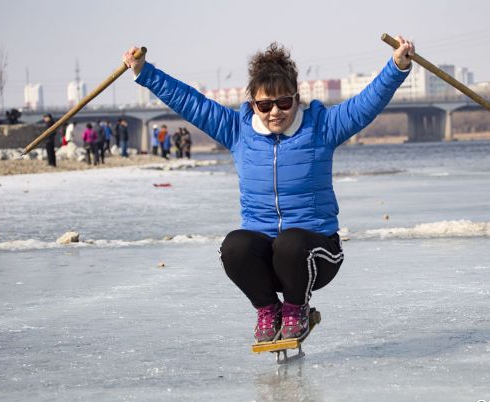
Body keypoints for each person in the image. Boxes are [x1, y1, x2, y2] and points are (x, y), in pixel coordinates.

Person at [124, 36, 414, 342]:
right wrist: (145, 72)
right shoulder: (238, 131)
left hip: (316, 255)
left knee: (290, 243)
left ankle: (296, 309)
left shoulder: (322, 127)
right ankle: (268, 310)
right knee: (234, 246)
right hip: (267, 262)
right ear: (254, 106)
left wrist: (397, 66)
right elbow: (191, 103)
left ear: (296, 100)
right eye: (265, 104)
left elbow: (365, 104)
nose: (275, 111)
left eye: (283, 102)